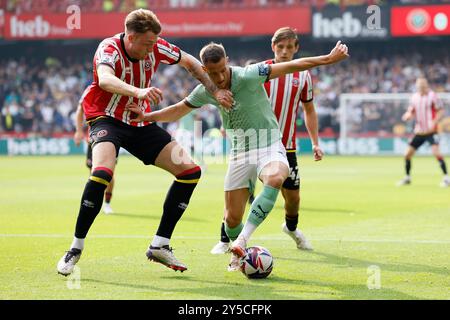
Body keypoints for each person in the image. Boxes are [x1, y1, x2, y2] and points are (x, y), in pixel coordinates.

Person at [126, 40, 349, 271]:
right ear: (204, 70)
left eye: (222, 70)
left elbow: (293, 66)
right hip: (240, 154)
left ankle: (242, 241)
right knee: (231, 221)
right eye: (213, 73)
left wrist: (328, 59)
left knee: (275, 178)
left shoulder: (250, 74)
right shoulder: (206, 90)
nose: (220, 76)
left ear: (228, 62)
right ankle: (237, 245)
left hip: (269, 145)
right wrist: (146, 117)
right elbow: (179, 109)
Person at [57, 9, 234, 276]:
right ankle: (76, 247)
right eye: (147, 43)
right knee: (103, 172)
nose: (152, 48)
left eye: (155, 43)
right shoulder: (109, 49)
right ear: (130, 37)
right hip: (106, 119)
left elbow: (191, 64)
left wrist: (216, 89)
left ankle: (160, 244)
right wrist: (138, 91)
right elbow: (104, 79)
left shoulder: (157, 46)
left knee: (190, 172)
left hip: (138, 121)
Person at [210, 27, 323, 255]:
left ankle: (291, 229)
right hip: (254, 143)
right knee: (237, 196)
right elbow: (235, 98)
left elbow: (309, 110)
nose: (284, 51)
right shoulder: (261, 71)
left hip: (286, 145)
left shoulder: (303, 76)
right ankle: (225, 239)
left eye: (289, 47)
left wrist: (315, 142)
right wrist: (226, 125)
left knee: (293, 198)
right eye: (280, 47)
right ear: (273, 47)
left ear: (296, 48)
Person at [397, 77, 449, 188]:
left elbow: (441, 110)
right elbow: (411, 111)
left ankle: (446, 178)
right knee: (407, 154)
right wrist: (407, 116)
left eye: (423, 85)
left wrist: (434, 121)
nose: (421, 87)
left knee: (436, 153)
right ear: (417, 86)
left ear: (426, 85)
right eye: (419, 86)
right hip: (419, 131)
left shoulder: (432, 96)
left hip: (431, 131)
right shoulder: (414, 97)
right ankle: (407, 177)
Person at [74, 86, 115, 214]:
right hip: (94, 140)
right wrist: (79, 131)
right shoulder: (91, 89)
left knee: (109, 175)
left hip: (113, 139)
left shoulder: (117, 88)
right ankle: (91, 203)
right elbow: (80, 109)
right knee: (94, 174)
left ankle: (107, 204)